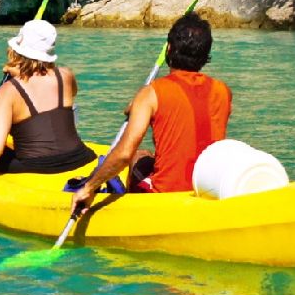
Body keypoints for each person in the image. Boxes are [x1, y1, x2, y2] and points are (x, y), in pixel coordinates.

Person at [72, 11, 231, 210]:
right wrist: (140, 105)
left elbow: (123, 154)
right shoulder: (222, 91)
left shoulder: (152, 93)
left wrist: (89, 187)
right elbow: (190, 113)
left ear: (169, 49)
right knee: (146, 154)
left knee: (137, 156)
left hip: (166, 196)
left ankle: (131, 210)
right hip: (209, 189)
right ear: (205, 55)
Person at [0, 19, 98, 178]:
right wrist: (19, 73)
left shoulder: (8, 91)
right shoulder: (66, 75)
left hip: (39, 167)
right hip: (79, 156)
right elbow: (62, 95)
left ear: (17, 51)